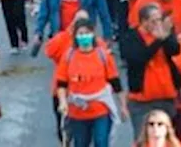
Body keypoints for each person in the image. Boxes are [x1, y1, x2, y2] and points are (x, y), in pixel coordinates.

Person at [55, 18, 130, 147]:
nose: (84, 36)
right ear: (75, 36)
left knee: (101, 142)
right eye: (80, 33)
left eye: (87, 33)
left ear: (93, 34)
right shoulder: (68, 56)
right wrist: (62, 101)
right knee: (80, 143)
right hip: (77, 111)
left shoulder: (103, 56)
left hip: (100, 110)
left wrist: (123, 106)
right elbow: (61, 83)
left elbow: (115, 83)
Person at [120, 4, 181, 136]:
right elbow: (138, 58)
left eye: (159, 20)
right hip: (141, 101)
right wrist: (158, 41)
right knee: (143, 139)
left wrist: (166, 37)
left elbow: (175, 50)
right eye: (153, 21)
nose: (158, 24)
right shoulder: (131, 37)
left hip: (166, 97)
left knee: (165, 139)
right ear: (143, 22)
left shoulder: (164, 34)